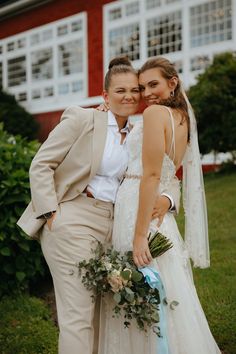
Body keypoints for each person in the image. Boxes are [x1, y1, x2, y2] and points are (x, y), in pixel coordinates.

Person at [17, 57, 180, 354]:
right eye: (120, 91)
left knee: (103, 316)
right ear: (105, 95)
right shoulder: (82, 118)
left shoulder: (140, 131)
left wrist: (168, 200)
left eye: (135, 90)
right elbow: (41, 164)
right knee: (78, 317)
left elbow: (164, 172)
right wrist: (52, 214)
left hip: (116, 228)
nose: (129, 96)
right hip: (74, 219)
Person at [98, 57, 221, 354]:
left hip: (138, 209)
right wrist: (168, 200)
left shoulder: (154, 113)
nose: (147, 93)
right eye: (143, 87)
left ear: (172, 82)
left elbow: (153, 175)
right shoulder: (183, 117)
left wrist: (140, 235)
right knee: (167, 288)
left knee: (138, 280)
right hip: (157, 212)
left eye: (154, 84)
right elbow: (171, 175)